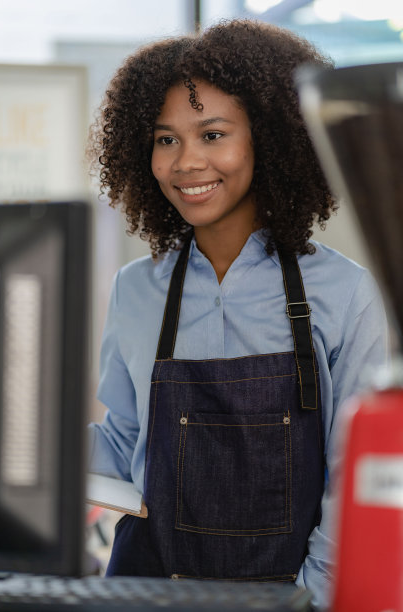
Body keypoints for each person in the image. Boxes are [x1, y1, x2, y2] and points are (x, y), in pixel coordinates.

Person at [87, 19, 388, 610]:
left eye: (213, 134)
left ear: (269, 140)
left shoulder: (345, 293)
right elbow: (124, 439)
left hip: (288, 597)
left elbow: (352, 477)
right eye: (165, 139)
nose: (186, 162)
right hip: (145, 592)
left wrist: (313, 598)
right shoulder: (135, 289)